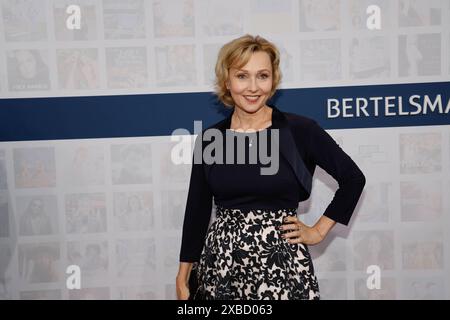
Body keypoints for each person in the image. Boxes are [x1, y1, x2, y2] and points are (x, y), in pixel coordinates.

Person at [176, 34, 366, 300]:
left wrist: (318, 230)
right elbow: (197, 209)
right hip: (221, 266)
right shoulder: (211, 139)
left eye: (262, 76)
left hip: (281, 265)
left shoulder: (300, 131)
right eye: (242, 76)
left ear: (273, 80)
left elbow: (353, 179)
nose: (253, 87)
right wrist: (183, 274)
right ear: (226, 81)